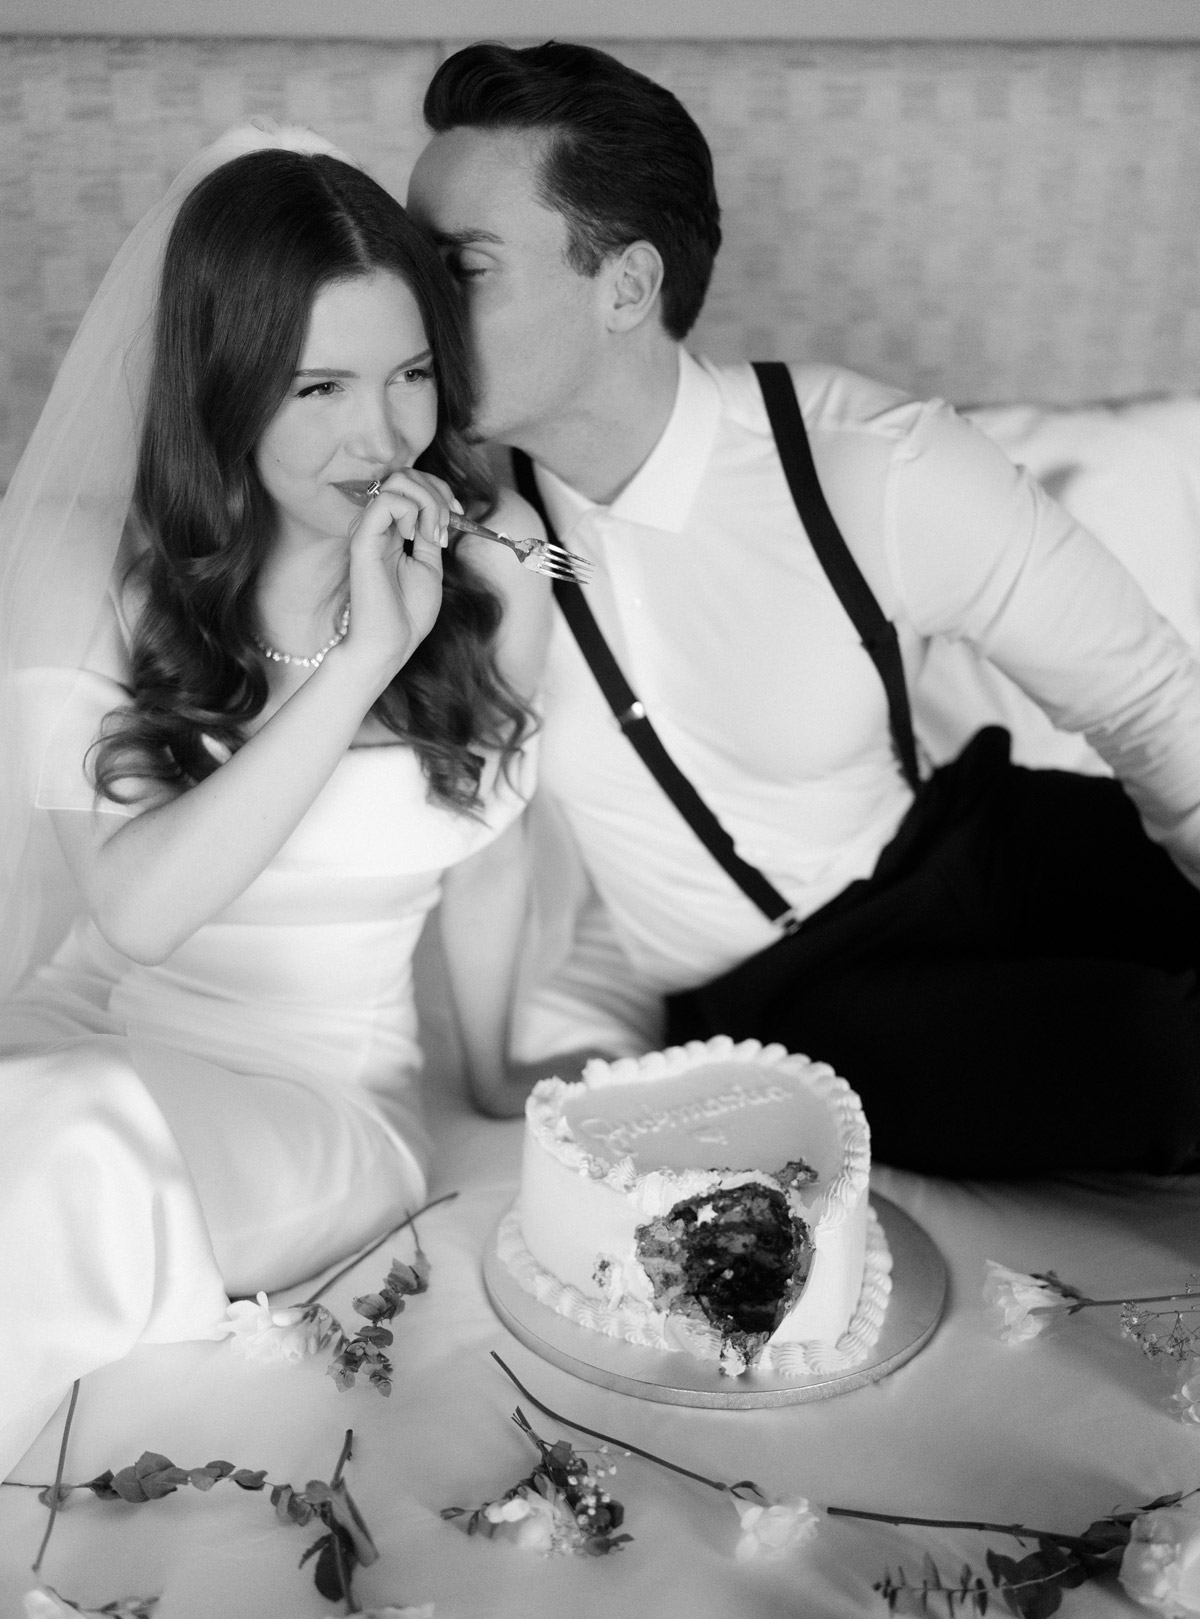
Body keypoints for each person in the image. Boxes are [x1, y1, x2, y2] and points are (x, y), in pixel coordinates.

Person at [407, 41, 1200, 1179]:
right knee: (1162, 1062)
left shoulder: (871, 462)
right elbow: (471, 827)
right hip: (783, 994)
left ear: (626, 285)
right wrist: (489, 1072)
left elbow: (1149, 698)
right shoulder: (459, 536)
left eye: (462, 266)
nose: (416, 309)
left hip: (962, 842)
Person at [0, 124, 552, 1474]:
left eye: (414, 374)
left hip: (322, 1099)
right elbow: (132, 917)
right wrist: (356, 656)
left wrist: (489, 1079)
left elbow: (487, 855)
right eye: (319, 389)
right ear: (227, 390)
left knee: (69, 1135)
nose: (383, 435)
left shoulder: (497, 584)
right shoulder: (101, 582)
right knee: (50, 1107)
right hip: (87, 1026)